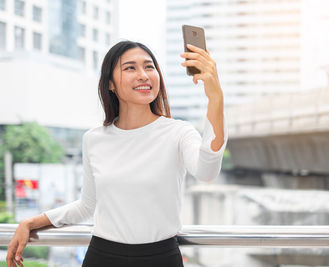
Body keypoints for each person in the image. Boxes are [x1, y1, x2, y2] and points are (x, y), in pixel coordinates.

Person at [6, 40, 228, 267]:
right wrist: (31, 222)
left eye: (149, 67)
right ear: (110, 83)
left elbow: (207, 171)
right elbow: (87, 206)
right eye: (130, 68)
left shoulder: (179, 132)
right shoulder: (94, 139)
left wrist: (215, 97)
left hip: (161, 258)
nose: (143, 75)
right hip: (103, 257)